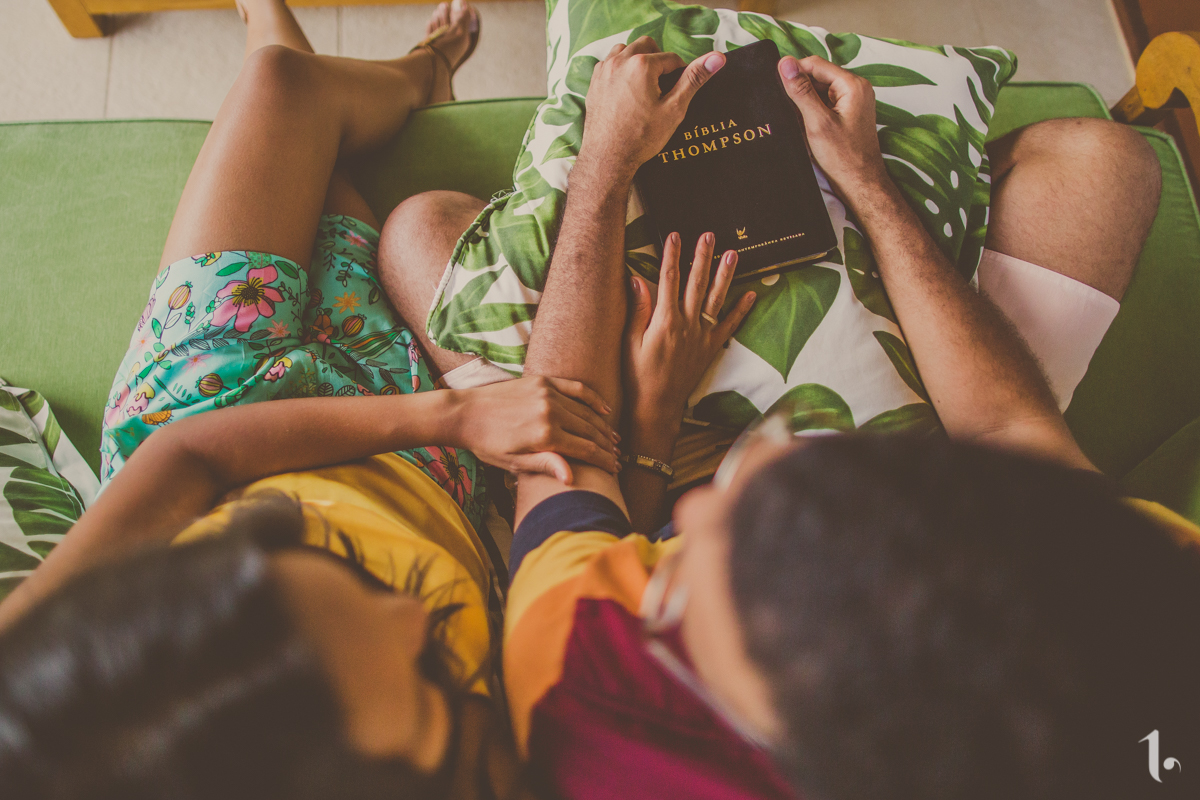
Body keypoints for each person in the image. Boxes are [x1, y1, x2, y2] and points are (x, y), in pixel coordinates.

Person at [380, 38, 1197, 799]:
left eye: (688, 580)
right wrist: (868, 183)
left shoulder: (587, 689)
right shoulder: (1143, 598)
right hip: (933, 432)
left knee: (420, 234)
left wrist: (606, 162)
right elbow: (1008, 431)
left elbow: (559, 447)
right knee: (1103, 162)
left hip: (647, 445)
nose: (697, 517)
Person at [0, 2, 621, 797]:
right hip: (417, 467)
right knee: (324, 173)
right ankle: (403, 71)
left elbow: (188, 455)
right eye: (422, 684)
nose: (410, 617)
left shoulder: (35, 680)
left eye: (283, 560)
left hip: (213, 407)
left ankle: (403, 66)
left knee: (280, 85)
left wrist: (456, 412)